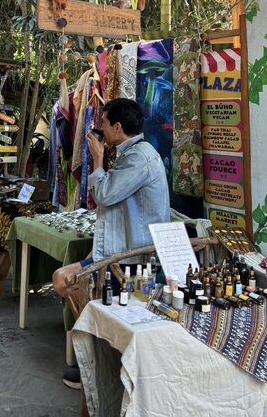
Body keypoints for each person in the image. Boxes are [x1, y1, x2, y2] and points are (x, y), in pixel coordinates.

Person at [52, 98, 170, 389]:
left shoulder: (139, 158)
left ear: (118, 127)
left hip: (131, 261)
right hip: (113, 253)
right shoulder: (131, 154)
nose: (100, 128)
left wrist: (97, 159)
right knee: (63, 280)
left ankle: (101, 371)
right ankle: (95, 363)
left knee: (84, 292)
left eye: (104, 123)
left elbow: (104, 195)